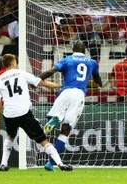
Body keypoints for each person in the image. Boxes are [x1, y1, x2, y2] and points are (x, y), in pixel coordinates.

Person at [0, 54, 73, 171]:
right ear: (14, 63)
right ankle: (60, 163)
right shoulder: (22, 74)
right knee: (43, 140)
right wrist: (61, 86)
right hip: (24, 113)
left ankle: (3, 164)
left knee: (10, 136)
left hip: (9, 114)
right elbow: (42, 83)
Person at [40, 40, 102, 171]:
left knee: (54, 116)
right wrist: (100, 83)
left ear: (72, 49)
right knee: (66, 130)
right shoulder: (92, 62)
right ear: (85, 51)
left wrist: (38, 79)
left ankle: (55, 117)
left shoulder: (66, 60)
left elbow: (51, 71)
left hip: (65, 92)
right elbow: (97, 79)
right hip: (78, 94)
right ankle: (50, 163)